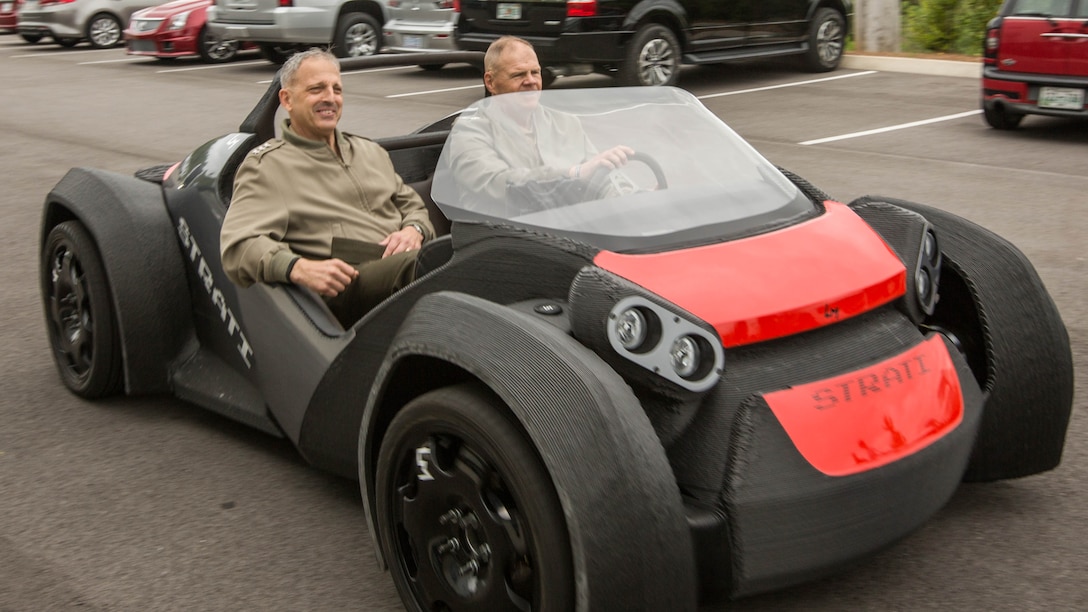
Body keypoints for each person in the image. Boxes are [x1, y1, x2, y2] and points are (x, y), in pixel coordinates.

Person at [220, 48, 434, 327]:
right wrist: (297, 267)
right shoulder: (268, 167)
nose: (330, 98)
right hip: (347, 283)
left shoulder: (369, 151)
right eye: (316, 89)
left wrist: (414, 229)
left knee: (471, 253)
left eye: (336, 89)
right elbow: (238, 247)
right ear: (287, 99)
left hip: (404, 265)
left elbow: (412, 205)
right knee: (435, 264)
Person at [448, 36, 636, 210]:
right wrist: (573, 173)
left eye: (535, 73)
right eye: (518, 75)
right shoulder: (469, 129)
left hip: (568, 228)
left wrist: (634, 197)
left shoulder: (565, 123)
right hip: (500, 236)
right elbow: (500, 183)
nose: (530, 81)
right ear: (490, 82)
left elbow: (601, 175)